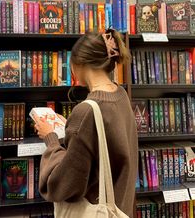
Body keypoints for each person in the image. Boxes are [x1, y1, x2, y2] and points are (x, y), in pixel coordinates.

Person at [34, 28, 138, 218]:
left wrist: (51, 139)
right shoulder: (121, 94)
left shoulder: (86, 111)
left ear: (80, 63)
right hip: (121, 209)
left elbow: (64, 185)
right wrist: (73, 128)